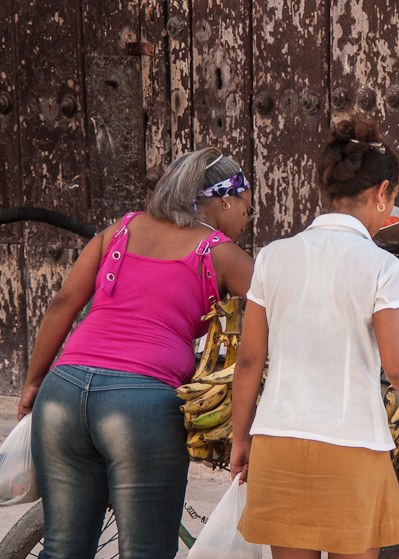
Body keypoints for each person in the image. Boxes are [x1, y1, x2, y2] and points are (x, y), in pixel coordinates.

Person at [18, 147, 255, 559]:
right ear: (226, 200)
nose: (246, 221)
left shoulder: (120, 230)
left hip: (63, 393)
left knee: (62, 549)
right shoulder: (222, 253)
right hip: (141, 406)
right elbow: (279, 320)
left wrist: (35, 381)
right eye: (247, 210)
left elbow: (63, 304)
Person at [230, 117, 399, 559]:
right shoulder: (383, 267)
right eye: (393, 199)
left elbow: (248, 361)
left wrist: (241, 438)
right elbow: (397, 364)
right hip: (352, 448)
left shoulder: (272, 257)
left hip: (277, 444)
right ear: (383, 192)